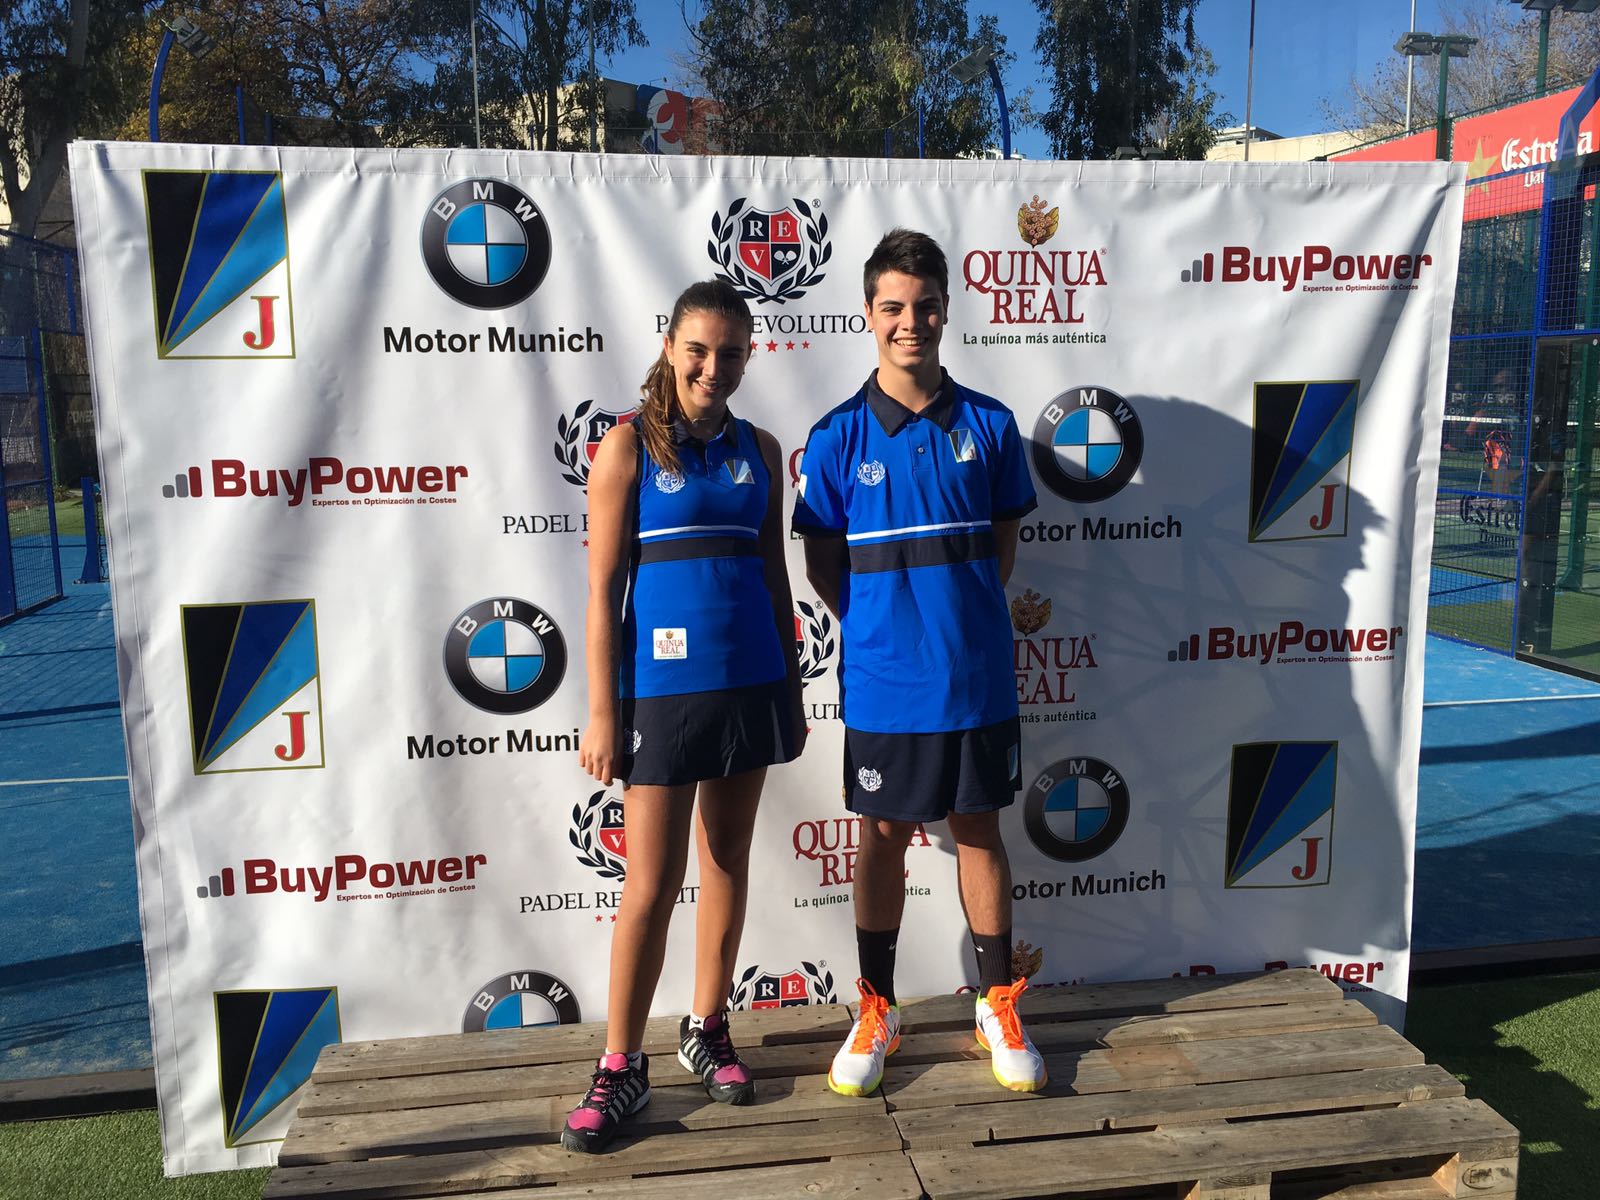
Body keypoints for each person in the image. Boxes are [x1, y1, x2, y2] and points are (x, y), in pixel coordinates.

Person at [792, 229, 1046, 1097]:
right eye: (893, 307)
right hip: (886, 686)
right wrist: (882, 629)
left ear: (946, 309)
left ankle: (995, 1001)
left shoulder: (992, 425)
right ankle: (876, 1005)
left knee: (979, 830)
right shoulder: (833, 439)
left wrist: (953, 621)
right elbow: (823, 565)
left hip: (975, 678)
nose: (911, 322)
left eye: (926, 305)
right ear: (868, 314)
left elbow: (1002, 551)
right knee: (883, 837)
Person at [562, 279, 805, 1153]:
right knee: (651, 885)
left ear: (749, 356)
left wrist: (789, 686)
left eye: (731, 352)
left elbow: (774, 576)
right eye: (699, 350)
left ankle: (708, 1028)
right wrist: (600, 712)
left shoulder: (763, 449)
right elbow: (599, 596)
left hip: (751, 684)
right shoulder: (626, 448)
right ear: (670, 347)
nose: (714, 367)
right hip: (659, 697)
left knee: (729, 859)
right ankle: (619, 1068)